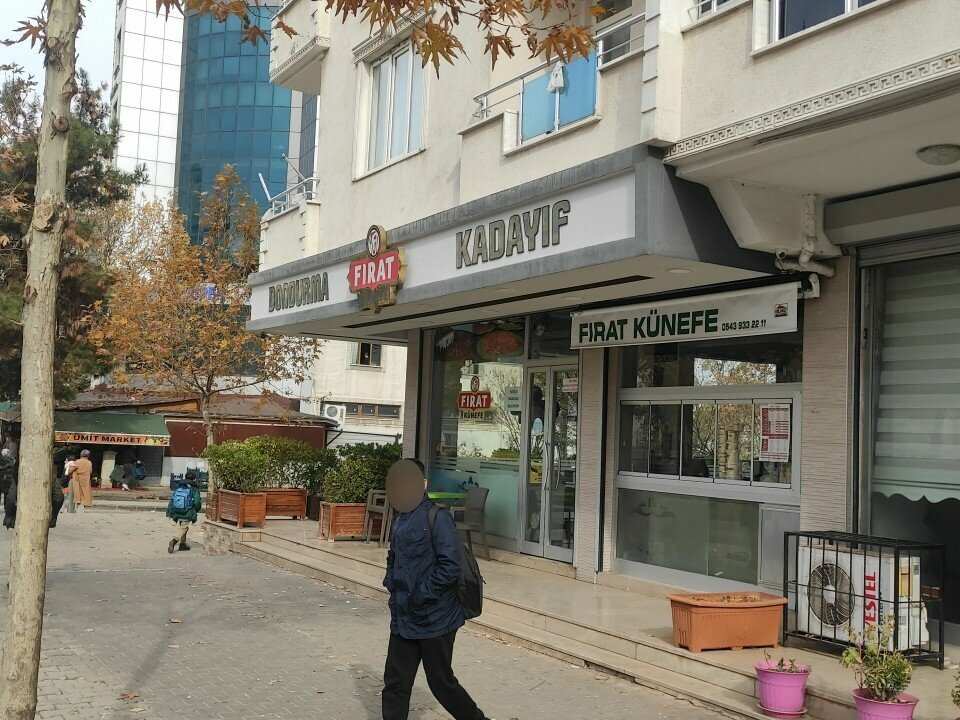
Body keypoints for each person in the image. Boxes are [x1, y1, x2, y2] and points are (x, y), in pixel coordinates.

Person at [382, 458, 490, 720]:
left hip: (436, 617)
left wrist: (421, 595)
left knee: (441, 682)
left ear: (423, 484)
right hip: (404, 615)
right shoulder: (400, 518)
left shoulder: (438, 518)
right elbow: (394, 555)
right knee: (395, 682)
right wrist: (390, 582)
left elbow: (450, 566)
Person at [166, 471, 201, 553]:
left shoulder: (179, 488)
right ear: (194, 479)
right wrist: (195, 510)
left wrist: (169, 511)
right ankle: (174, 541)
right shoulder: (194, 489)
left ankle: (182, 544)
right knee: (184, 528)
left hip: (177, 510)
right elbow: (196, 502)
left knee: (183, 527)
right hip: (187, 511)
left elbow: (172, 500)